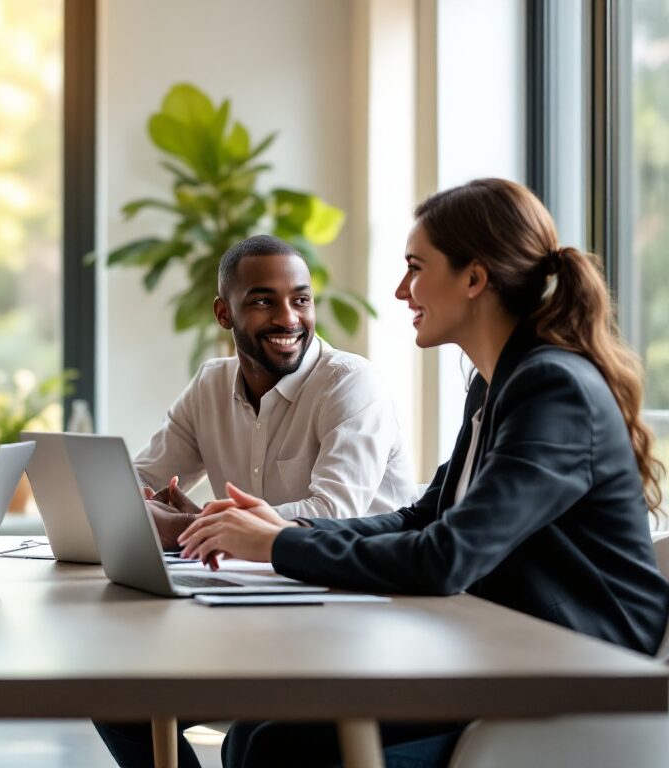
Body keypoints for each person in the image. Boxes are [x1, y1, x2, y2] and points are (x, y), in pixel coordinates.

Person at [179, 179, 669, 767]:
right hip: (502, 653)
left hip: (575, 679)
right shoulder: (496, 383)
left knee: (278, 745)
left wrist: (279, 545)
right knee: (257, 732)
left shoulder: (552, 389)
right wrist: (288, 533)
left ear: (473, 278)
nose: (401, 290)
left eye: (416, 267)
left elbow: (446, 556)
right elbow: (424, 516)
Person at [96, 234, 420, 768]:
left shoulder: (350, 384)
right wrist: (140, 505)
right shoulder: (210, 386)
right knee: (117, 694)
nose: (288, 317)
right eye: (263, 300)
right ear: (224, 313)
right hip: (248, 617)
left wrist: (193, 524)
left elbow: (334, 514)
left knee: (252, 740)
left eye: (301, 298)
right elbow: (136, 480)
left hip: (349, 621)